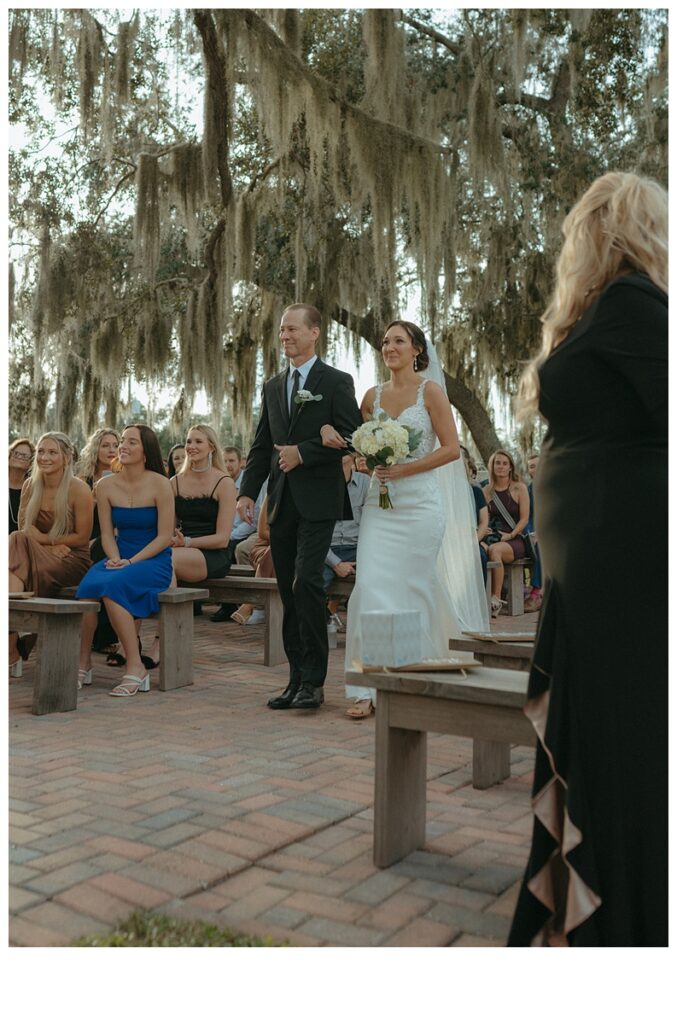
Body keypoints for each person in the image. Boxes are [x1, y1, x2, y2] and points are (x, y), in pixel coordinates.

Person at [508, 172, 668, 947]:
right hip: (586, 557)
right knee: (591, 723)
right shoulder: (602, 312)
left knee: (616, 733)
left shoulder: (639, 304)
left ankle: (625, 924)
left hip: (621, 551)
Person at [321, 320, 488, 719]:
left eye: (398, 340)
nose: (389, 347)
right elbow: (361, 454)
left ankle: (417, 674)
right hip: (380, 508)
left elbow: (450, 450)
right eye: (384, 341)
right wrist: (362, 461)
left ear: (416, 349)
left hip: (420, 506)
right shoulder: (370, 396)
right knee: (372, 590)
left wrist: (405, 470)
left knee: (413, 588)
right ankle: (368, 685)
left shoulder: (430, 392)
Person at [236, 302, 363, 710]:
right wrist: (247, 492)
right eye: (282, 330)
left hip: (320, 499)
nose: (285, 336)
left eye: (292, 329)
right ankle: (295, 679)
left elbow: (353, 436)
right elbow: (261, 444)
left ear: (315, 332)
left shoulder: (337, 380)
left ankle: (315, 681)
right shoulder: (273, 386)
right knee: (287, 591)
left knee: (307, 582)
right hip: (281, 502)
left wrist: (303, 453)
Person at [76, 424, 174, 697]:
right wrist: (117, 558)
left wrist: (131, 563)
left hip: (153, 559)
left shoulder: (161, 483)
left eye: (132, 442)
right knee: (87, 591)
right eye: (122, 441)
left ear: (146, 450)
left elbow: (165, 536)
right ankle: (83, 662)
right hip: (118, 554)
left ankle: (135, 666)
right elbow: (107, 534)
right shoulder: (105, 485)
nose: (123, 446)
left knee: (113, 589)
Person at [8, 432, 93, 669]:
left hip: (71, 559)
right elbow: (24, 532)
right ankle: (11, 644)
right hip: (37, 553)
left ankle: (11, 645)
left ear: (66, 458)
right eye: (41, 452)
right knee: (15, 540)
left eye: (52, 452)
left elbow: (83, 537)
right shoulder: (29, 485)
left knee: (14, 552)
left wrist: (46, 540)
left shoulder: (79, 489)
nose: (44, 457)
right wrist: (45, 545)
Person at [77, 427, 122, 654]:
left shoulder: (124, 479)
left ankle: (104, 636)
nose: (111, 450)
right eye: (105, 445)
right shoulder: (82, 481)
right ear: (96, 449)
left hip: (112, 538)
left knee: (104, 556)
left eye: (115, 445)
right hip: (83, 537)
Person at [322, 453, 369, 628]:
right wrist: (335, 563)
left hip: (357, 548)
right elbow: (313, 535)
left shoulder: (365, 483)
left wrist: (364, 556)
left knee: (376, 579)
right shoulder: (318, 484)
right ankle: (324, 622)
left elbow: (372, 525)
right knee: (311, 583)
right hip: (326, 549)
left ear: (352, 457)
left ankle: (367, 632)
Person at [482, 450, 530, 617]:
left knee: (495, 551)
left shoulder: (519, 488)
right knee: (479, 549)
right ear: (492, 466)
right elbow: (483, 519)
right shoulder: (486, 491)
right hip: (492, 536)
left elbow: (524, 519)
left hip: (514, 539)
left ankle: (495, 600)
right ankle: (480, 598)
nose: (501, 467)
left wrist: (509, 535)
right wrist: (484, 530)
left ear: (510, 467)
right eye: (497, 463)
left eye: (504, 463)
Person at [230, 495, 275, 624]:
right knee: (275, 551)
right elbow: (262, 532)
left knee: (277, 551)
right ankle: (256, 606)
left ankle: (252, 604)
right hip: (265, 543)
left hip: (290, 546)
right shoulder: (272, 495)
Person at [461, 445, 490, 583]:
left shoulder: (475, 491)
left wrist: (474, 541)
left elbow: (484, 521)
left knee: (479, 555)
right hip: (448, 541)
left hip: (472, 540)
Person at [524, 451, 542, 611]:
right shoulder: (528, 489)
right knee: (531, 542)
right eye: (531, 467)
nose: (535, 469)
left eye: (537, 465)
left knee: (541, 546)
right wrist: (529, 532)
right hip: (533, 531)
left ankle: (536, 592)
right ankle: (523, 588)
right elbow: (527, 516)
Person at [8, 437, 35, 534]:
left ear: (31, 462)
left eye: (24, 455)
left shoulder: (34, 488)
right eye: (16, 453)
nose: (19, 457)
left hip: (23, 541)